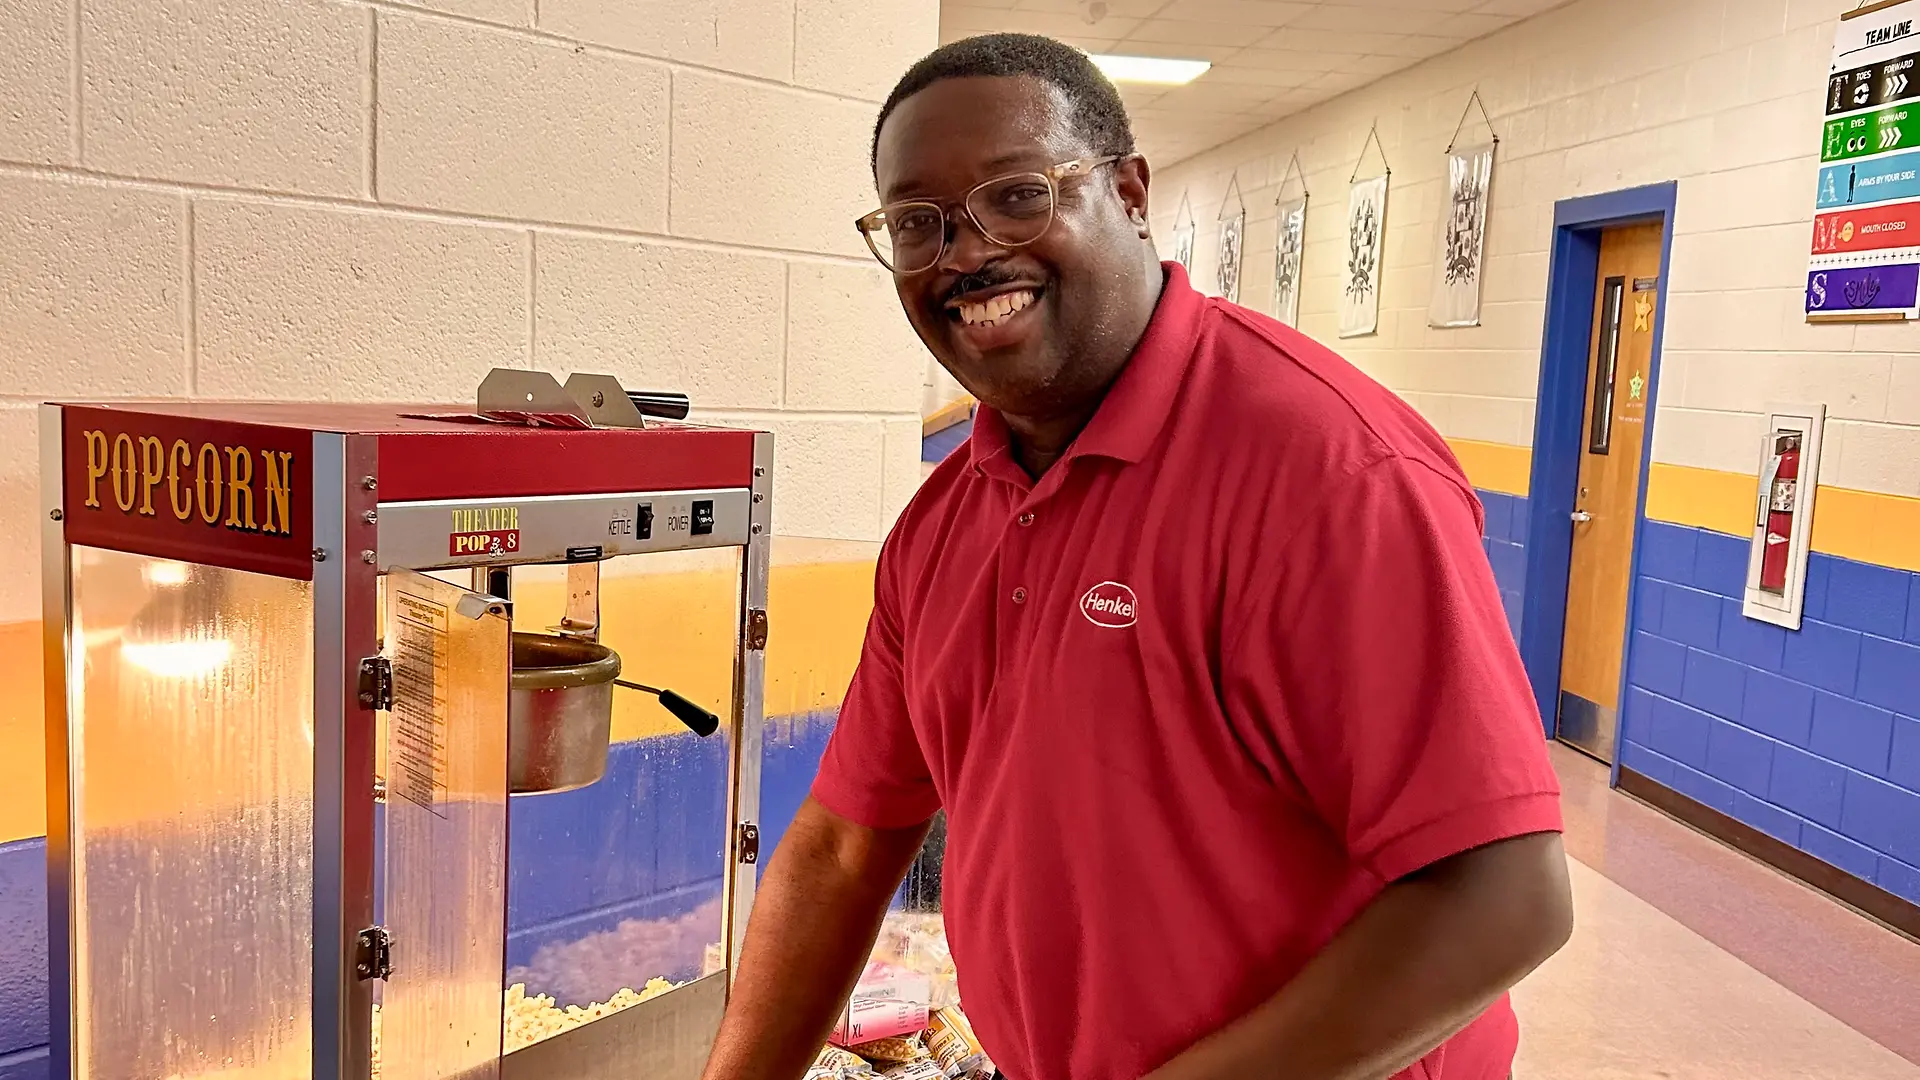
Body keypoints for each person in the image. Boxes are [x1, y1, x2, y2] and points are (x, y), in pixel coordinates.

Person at [699, 33, 1573, 1080]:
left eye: (1017, 195)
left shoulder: (1332, 475)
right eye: (917, 223)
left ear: (1129, 191)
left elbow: (1505, 898)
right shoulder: (945, 524)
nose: (965, 253)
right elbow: (845, 847)